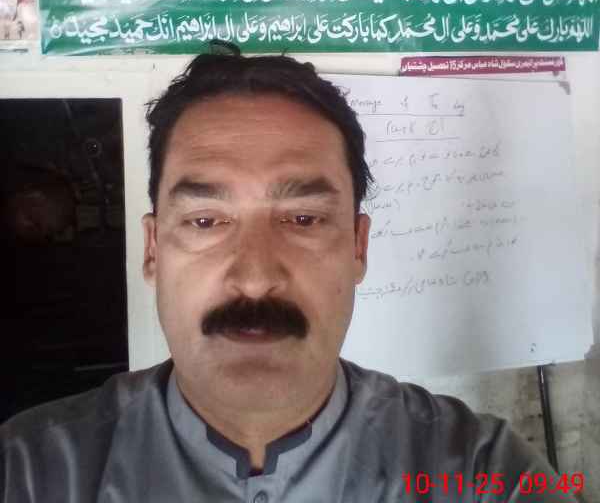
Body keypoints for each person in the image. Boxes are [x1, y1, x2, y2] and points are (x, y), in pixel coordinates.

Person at [0, 47, 576, 502]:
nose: (255, 278)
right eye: (205, 221)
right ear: (153, 251)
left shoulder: (480, 474)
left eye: (303, 219)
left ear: (357, 247)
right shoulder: (30, 472)